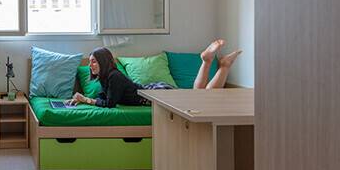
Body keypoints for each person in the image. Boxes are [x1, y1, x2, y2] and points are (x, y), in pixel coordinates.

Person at [71, 39, 242, 108]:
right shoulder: (107, 78)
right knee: (198, 97)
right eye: (90, 61)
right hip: (153, 91)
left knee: (201, 101)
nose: (90, 65)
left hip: (155, 94)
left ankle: (217, 64)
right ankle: (214, 63)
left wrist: (86, 100)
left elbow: (110, 103)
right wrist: (82, 99)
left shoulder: (114, 76)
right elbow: (104, 96)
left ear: (103, 62)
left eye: (94, 61)